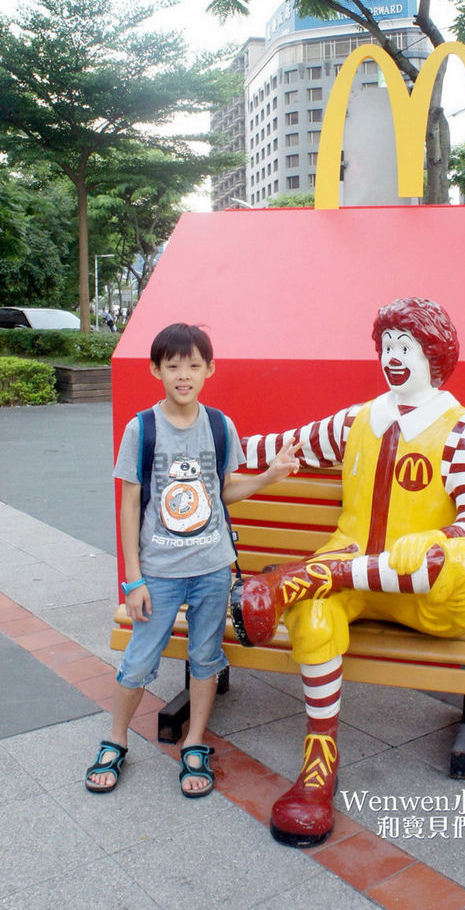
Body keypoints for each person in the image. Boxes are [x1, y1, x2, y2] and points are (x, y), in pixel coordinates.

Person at [232, 297, 465, 846]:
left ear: (435, 355)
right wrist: (201, 446)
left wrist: (442, 543)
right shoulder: (360, 420)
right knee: (314, 611)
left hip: (426, 589)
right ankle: (318, 764)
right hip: (349, 565)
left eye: (406, 347)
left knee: (447, 559)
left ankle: (287, 580)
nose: (393, 357)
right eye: (386, 347)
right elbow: (286, 446)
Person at [85, 322, 300, 798]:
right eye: (173, 365)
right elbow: (128, 505)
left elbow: (225, 492)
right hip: (159, 574)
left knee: (206, 657)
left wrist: (268, 476)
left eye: (194, 365)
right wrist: (132, 580)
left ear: (209, 369)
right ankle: (115, 738)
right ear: (156, 369)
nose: (184, 374)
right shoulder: (141, 429)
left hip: (212, 569)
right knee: (138, 661)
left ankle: (195, 741)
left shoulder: (220, 426)